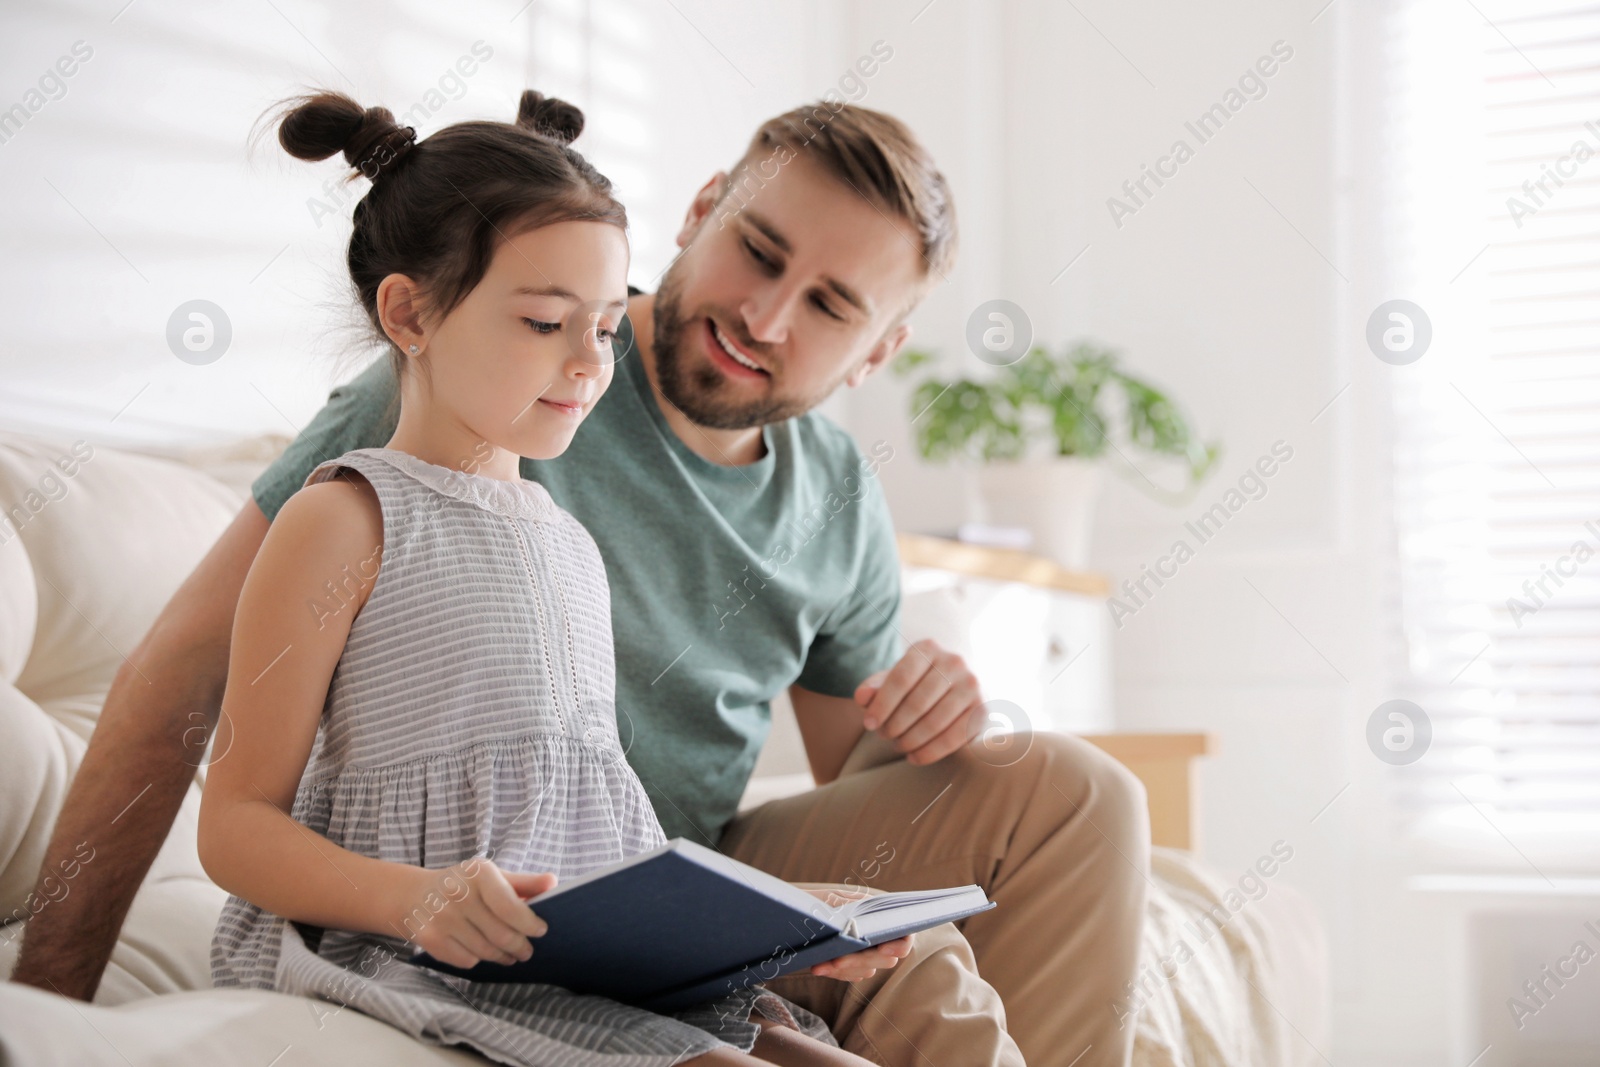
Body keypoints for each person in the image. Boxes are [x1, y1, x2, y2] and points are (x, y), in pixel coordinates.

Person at [12, 90, 1150, 1067]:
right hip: (499, 886)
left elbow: (847, 768)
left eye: (830, 305)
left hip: (656, 861)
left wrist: (923, 720)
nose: (764, 316)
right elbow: (182, 682)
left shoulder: (828, 487)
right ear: (701, 208)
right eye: (758, 251)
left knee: (1081, 791)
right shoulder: (467, 388)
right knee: (916, 976)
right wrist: (53, 1005)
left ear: (879, 348)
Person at [199, 87, 903, 1067]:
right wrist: (420, 897)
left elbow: (593, 820)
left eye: (609, 325)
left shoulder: (566, 542)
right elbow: (233, 828)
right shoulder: (344, 520)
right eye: (544, 322)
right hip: (408, 948)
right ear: (408, 312)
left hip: (564, 958)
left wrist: (795, 915)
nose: (588, 363)